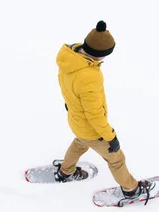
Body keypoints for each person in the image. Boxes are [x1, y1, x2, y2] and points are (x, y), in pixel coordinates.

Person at [54, 20, 152, 200]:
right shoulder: (89, 76)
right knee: (116, 159)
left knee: (79, 143)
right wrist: (110, 137)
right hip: (92, 129)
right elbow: (95, 115)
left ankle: (65, 172)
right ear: (100, 53)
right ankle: (131, 189)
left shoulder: (70, 58)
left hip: (76, 120)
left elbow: (68, 89)